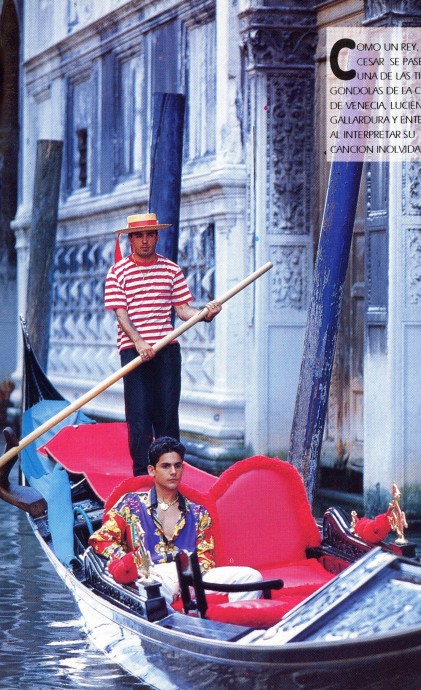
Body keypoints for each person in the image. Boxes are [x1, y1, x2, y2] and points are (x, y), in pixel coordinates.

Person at [105, 212, 221, 476]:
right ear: (130, 239)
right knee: (139, 417)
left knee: (168, 415)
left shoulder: (171, 269)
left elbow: (182, 310)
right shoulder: (117, 272)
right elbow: (121, 314)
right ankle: (140, 475)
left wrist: (205, 313)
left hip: (166, 350)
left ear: (156, 236)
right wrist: (139, 342)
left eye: (149, 235)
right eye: (139, 236)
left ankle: (171, 474)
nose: (145, 241)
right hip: (133, 351)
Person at [89, 436, 262, 604]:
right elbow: (101, 539)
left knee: (251, 577)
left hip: (190, 574)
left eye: (177, 466)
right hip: (152, 574)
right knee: (146, 587)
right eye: (165, 466)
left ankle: (233, 623)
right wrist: (136, 564)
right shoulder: (130, 504)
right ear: (152, 470)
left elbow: (206, 558)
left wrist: (189, 577)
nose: (173, 472)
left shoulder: (198, 512)